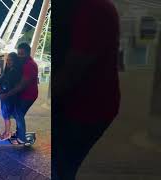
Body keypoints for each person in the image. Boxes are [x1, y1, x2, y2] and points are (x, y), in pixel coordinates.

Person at [53, 0, 121, 179]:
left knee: (60, 166)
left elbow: (73, 69)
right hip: (85, 107)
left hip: (83, 108)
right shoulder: (93, 8)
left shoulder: (93, 9)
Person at [0, 43, 39, 144]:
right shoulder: (23, 63)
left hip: (28, 95)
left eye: (22, 54)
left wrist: (7, 94)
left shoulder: (29, 65)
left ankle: (21, 138)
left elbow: (22, 85)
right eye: (18, 54)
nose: (19, 56)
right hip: (22, 94)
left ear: (28, 53)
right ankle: (19, 133)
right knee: (17, 114)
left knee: (18, 113)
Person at [0, 52, 23, 140]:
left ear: (15, 61)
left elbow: (12, 85)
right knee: (6, 114)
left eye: (10, 60)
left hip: (10, 96)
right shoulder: (8, 70)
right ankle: (8, 132)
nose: (8, 62)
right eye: (7, 60)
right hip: (5, 96)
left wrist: (0, 89)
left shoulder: (15, 71)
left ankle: (8, 133)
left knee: (7, 114)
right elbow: (3, 77)